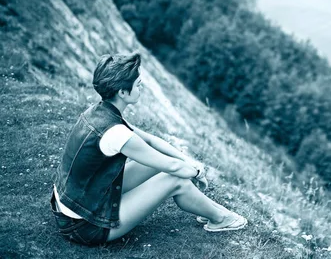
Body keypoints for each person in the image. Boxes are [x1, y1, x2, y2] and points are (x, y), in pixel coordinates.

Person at [50, 52, 247, 246]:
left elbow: (152, 142)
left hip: (78, 202)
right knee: (176, 179)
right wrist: (196, 172)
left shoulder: (99, 112)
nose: (141, 86)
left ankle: (208, 210)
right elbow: (173, 167)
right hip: (84, 225)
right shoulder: (115, 133)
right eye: (137, 84)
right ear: (123, 92)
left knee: (170, 166)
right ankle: (220, 218)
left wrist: (190, 162)